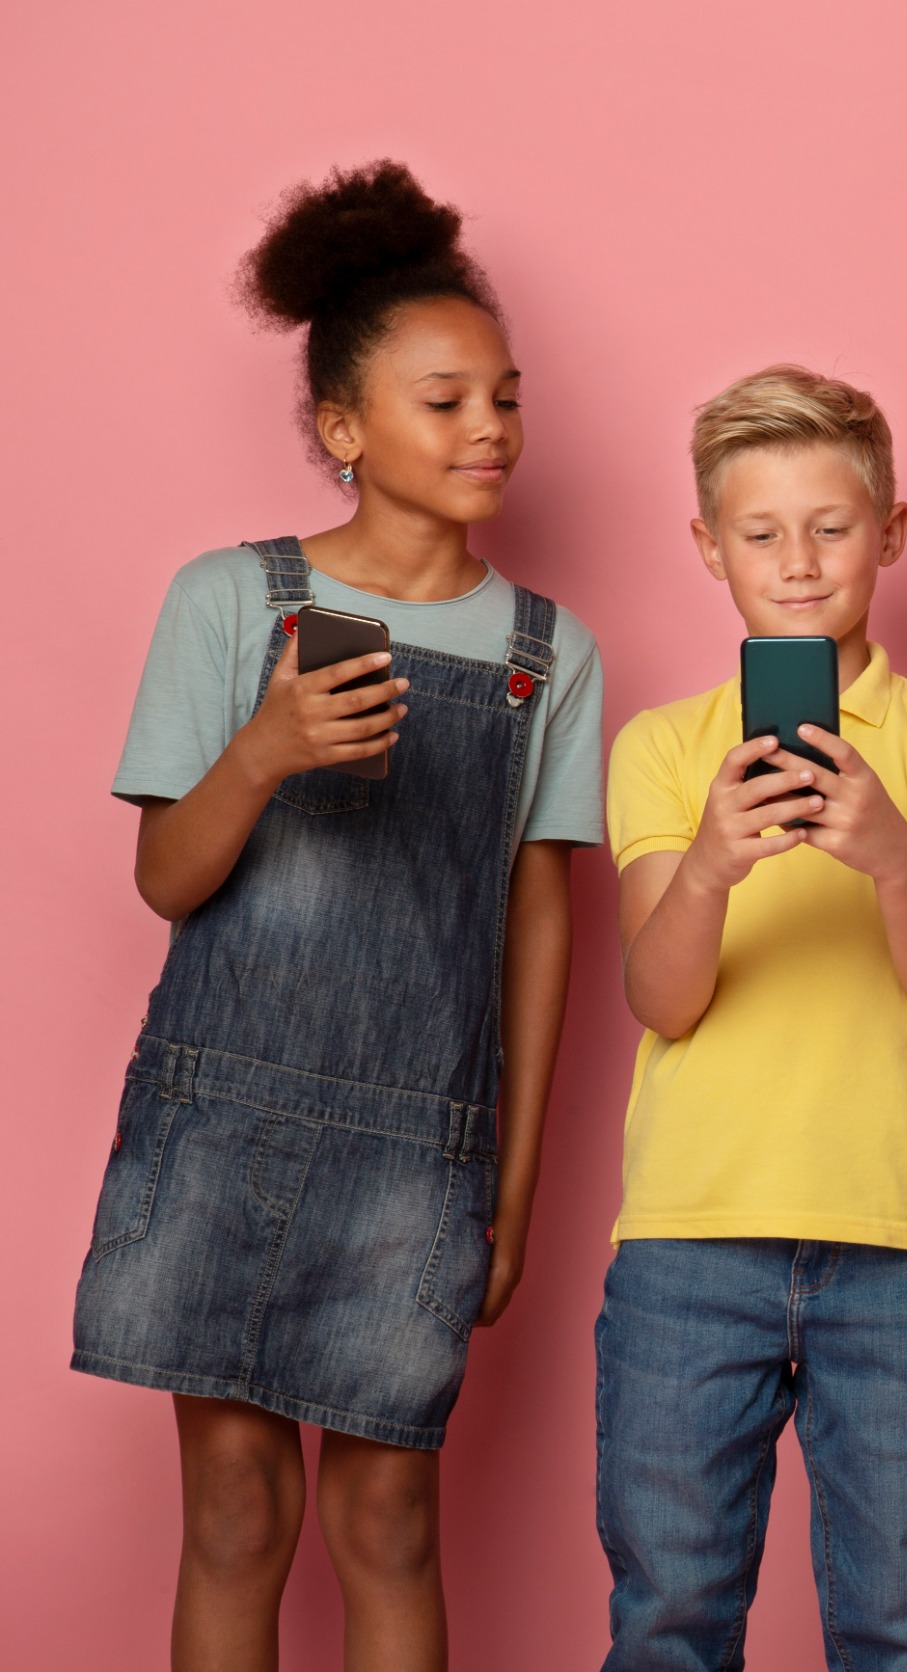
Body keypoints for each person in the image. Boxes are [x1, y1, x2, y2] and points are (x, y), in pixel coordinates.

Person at [72, 161, 603, 1671]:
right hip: (219, 1115)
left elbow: (542, 927)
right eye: (446, 401)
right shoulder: (229, 602)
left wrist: (510, 1184)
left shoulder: (546, 655)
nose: (490, 428)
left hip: (414, 1144)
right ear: (344, 429)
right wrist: (267, 749)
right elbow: (167, 880)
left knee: (390, 1525)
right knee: (234, 1517)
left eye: (506, 396)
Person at [597, 366, 907, 1671]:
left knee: (906, 1622)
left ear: (890, 534)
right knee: (670, 1617)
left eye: (832, 528)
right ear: (709, 547)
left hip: (892, 1235)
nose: (798, 561)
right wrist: (713, 863)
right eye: (761, 533)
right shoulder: (665, 747)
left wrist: (889, 847)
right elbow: (662, 997)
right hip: (689, 1235)